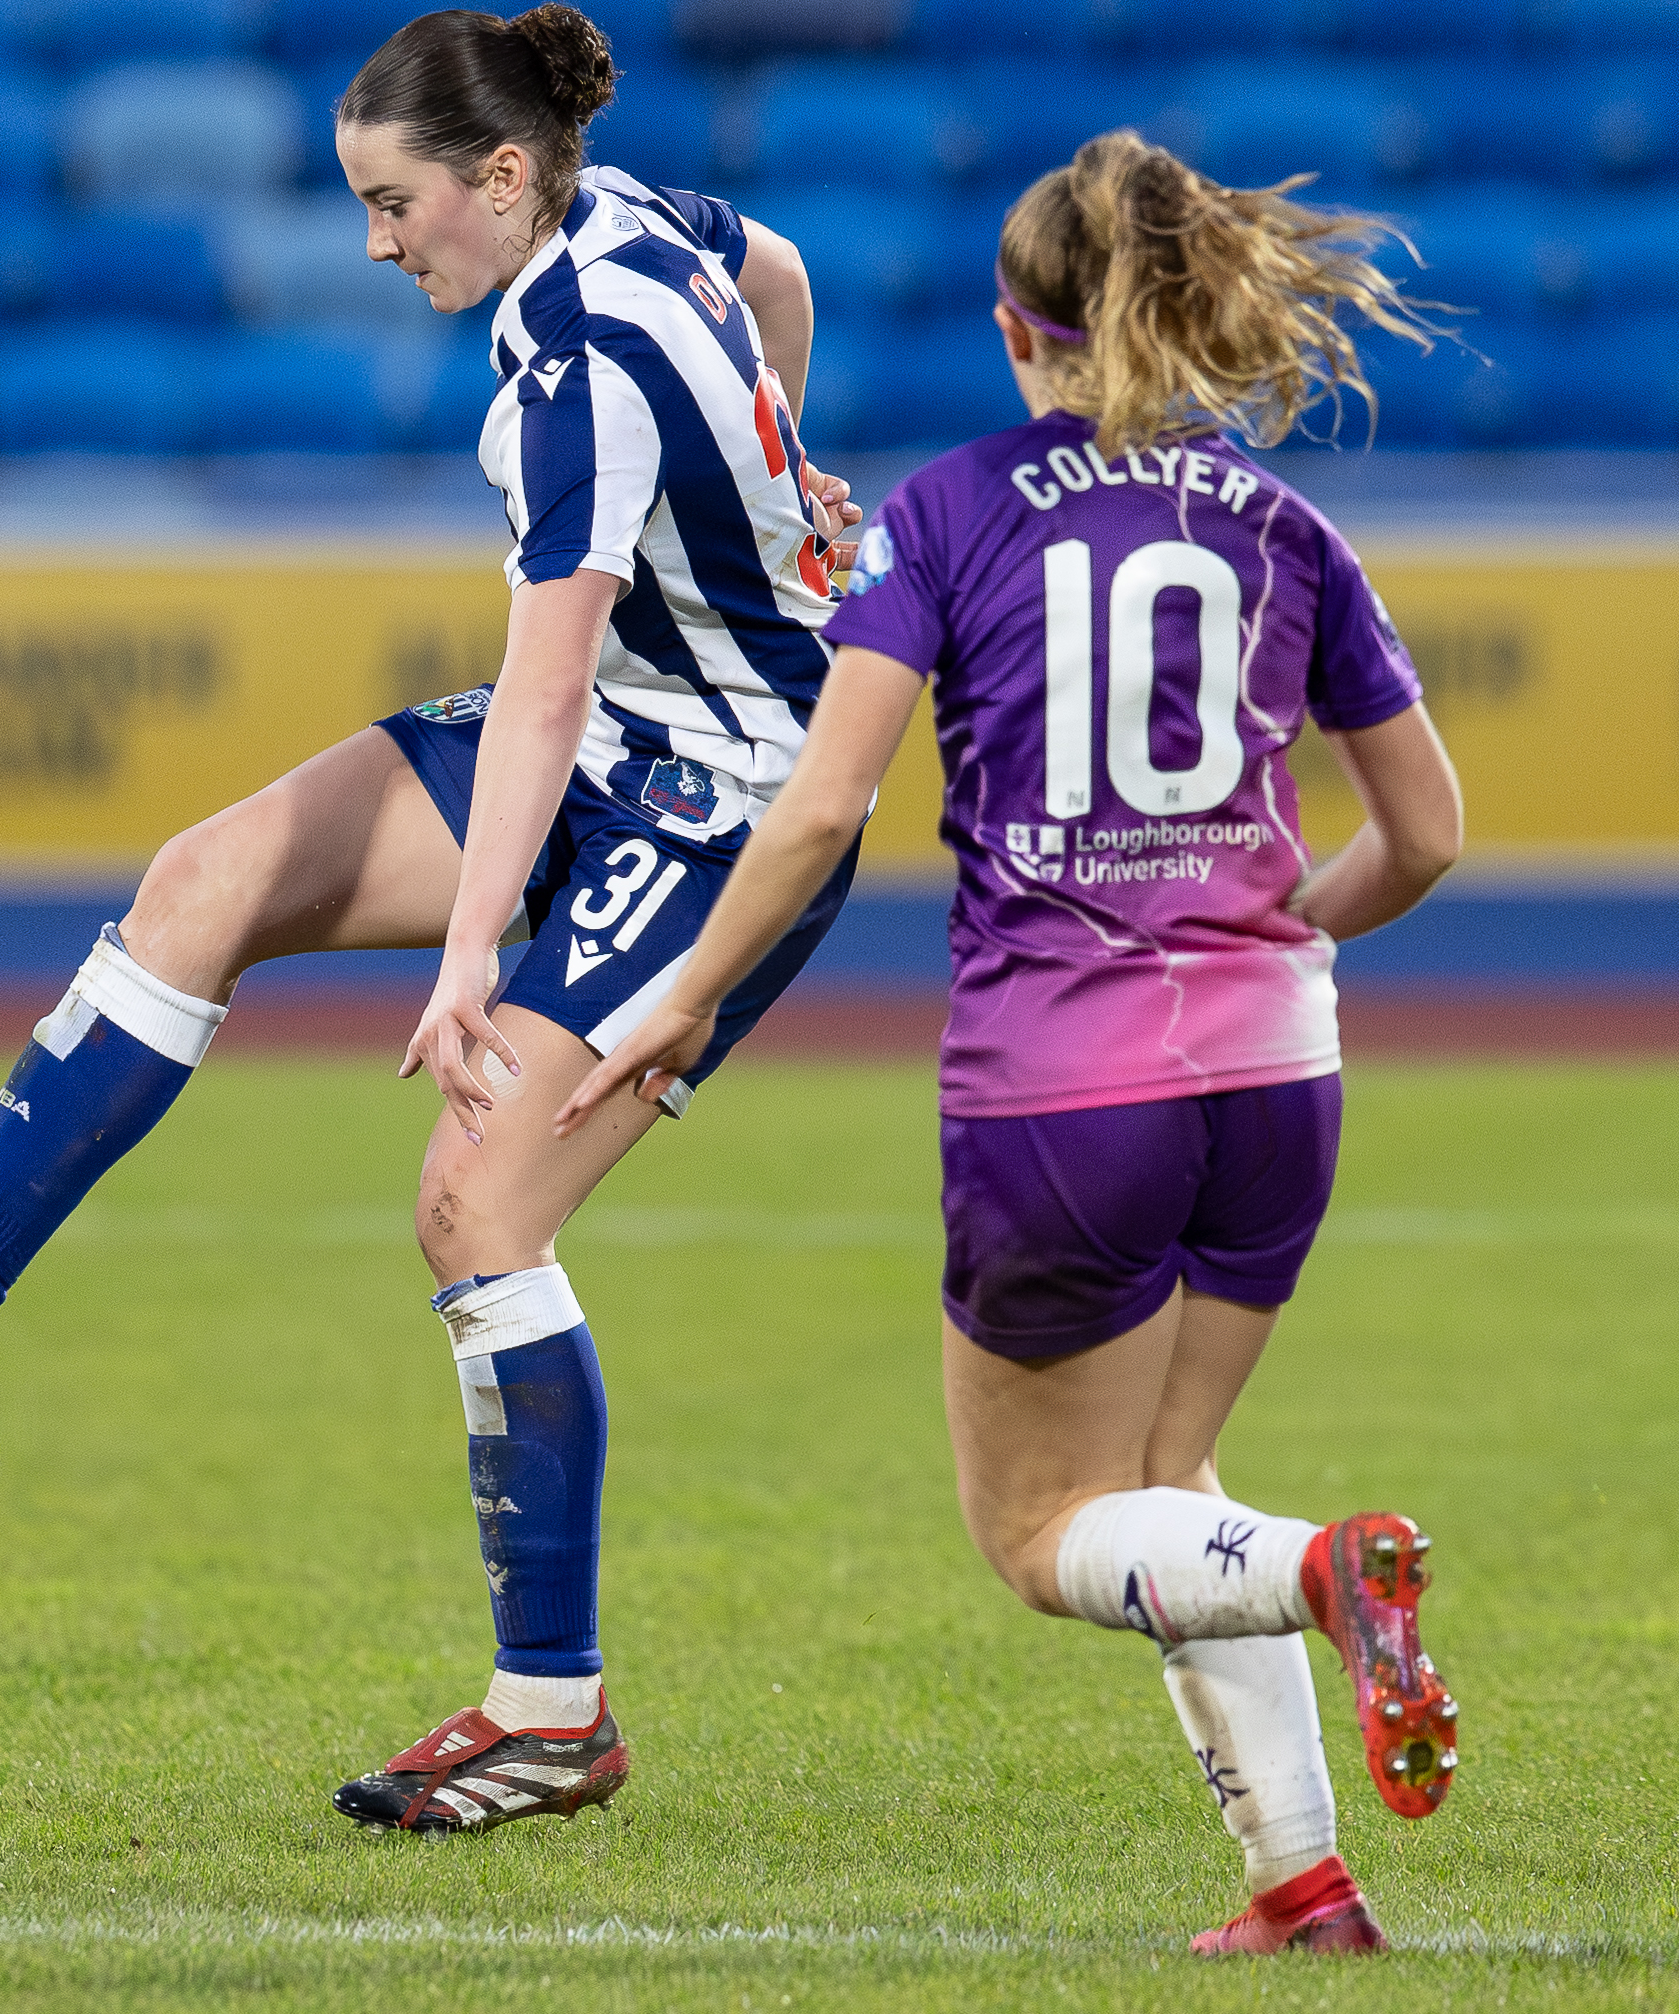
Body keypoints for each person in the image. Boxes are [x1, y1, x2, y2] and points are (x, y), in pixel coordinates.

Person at [0, 1, 869, 1835]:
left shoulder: (574, 367)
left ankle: (549, 1712)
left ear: (501, 176)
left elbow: (548, 694)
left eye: (393, 202)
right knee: (207, 881)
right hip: (629, 730)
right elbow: (784, 267)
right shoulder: (624, 212)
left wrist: (476, 946)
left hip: (736, 803)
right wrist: (797, 470)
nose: (373, 240)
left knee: (472, 1204)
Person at [562, 130, 1468, 1952]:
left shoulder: (952, 510)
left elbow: (820, 814)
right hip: (1279, 1077)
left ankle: (1319, 1569)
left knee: (1042, 1529)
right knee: (1158, 1488)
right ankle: (1302, 1887)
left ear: (1011, 327)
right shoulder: (1288, 526)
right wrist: (1288, 919)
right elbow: (1428, 832)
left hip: (1066, 1088)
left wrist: (683, 995)